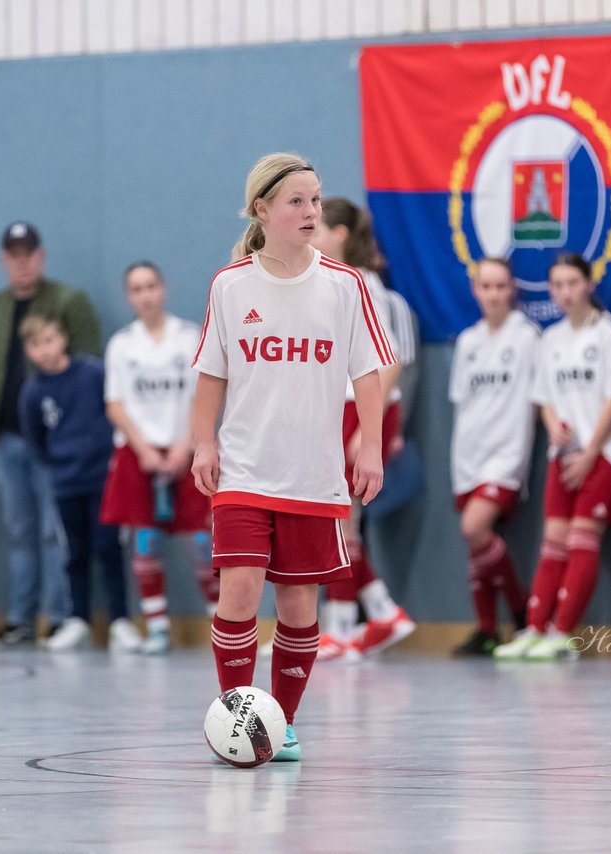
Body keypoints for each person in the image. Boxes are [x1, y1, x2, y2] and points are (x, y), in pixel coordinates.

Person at [192, 152, 392, 762]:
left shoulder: (345, 285)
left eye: (316, 199)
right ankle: (239, 717)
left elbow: (370, 376)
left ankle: (283, 724)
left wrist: (372, 449)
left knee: (300, 605)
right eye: (297, 202)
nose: (311, 212)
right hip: (246, 469)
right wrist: (205, 440)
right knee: (241, 592)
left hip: (314, 474)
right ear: (263, 211)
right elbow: (210, 376)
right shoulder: (230, 285)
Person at [0, 222, 101, 644]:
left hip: (57, 445)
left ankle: (59, 616)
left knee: (53, 530)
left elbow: (90, 366)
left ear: (41, 257)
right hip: (5, 439)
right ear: (4, 261)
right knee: (19, 530)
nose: (22, 263)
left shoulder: (68, 302)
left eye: (29, 254)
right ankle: (21, 619)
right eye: (13, 256)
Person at [495, 254, 611, 661]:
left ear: (589, 284)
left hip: (605, 453)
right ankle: (535, 629)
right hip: (564, 455)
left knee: (581, 538)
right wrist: (554, 424)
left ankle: (563, 633)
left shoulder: (608, 333)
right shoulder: (551, 338)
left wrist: (592, 451)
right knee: (552, 542)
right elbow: (544, 400)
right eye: (557, 284)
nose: (565, 292)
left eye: (573, 282)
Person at [310, 197, 414, 660]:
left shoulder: (363, 284)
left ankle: (345, 626)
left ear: (340, 235)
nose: (310, 236)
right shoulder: (330, 284)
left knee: (339, 519)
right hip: (342, 408)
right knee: (338, 521)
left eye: (318, 228)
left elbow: (389, 362)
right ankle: (377, 612)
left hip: (363, 408)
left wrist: (367, 430)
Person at [101, 261, 215, 654]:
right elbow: (115, 403)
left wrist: (185, 446)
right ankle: (158, 627)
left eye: (151, 286)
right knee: (144, 541)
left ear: (163, 289)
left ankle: (223, 624)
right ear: (128, 296)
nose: (145, 295)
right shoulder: (121, 344)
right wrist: (146, 449)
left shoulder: (188, 337)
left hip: (186, 449)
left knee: (202, 541)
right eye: (136, 289)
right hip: (139, 453)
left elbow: (204, 395)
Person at [19, 314, 135, 653]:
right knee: (74, 552)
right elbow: (35, 438)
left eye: (50, 340)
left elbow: (114, 411)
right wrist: (60, 464)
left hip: (103, 478)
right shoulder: (33, 392)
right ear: (28, 350)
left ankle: (120, 621)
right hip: (65, 482)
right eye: (36, 344)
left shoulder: (92, 373)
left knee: (109, 547)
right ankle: (77, 619)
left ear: (63, 338)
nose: (45, 350)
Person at [447, 258, 537, 657]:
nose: (495, 294)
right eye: (487, 286)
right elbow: (462, 403)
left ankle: (522, 610)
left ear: (512, 289)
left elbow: (537, 400)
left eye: (501, 286)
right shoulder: (469, 340)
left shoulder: (527, 337)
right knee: (474, 546)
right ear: (476, 290)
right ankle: (486, 630)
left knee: (474, 528)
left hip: (506, 453)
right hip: (468, 455)